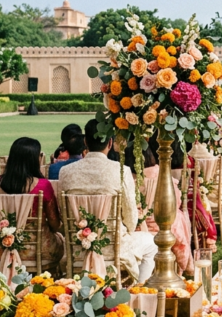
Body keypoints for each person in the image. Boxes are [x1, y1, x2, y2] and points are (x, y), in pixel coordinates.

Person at [59, 119, 159, 284]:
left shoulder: (65, 172)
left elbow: (63, 213)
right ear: (110, 143)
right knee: (151, 243)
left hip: (77, 246)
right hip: (114, 246)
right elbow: (130, 217)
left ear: (85, 142)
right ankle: (139, 290)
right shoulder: (121, 171)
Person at [0, 137, 65, 264]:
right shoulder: (43, 186)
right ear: (34, 159)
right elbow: (55, 223)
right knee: (60, 240)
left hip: (1, 247)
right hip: (37, 250)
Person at [137, 142, 193, 274]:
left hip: (138, 227)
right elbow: (176, 201)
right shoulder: (160, 172)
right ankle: (183, 267)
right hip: (163, 225)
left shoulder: (128, 176)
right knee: (178, 216)